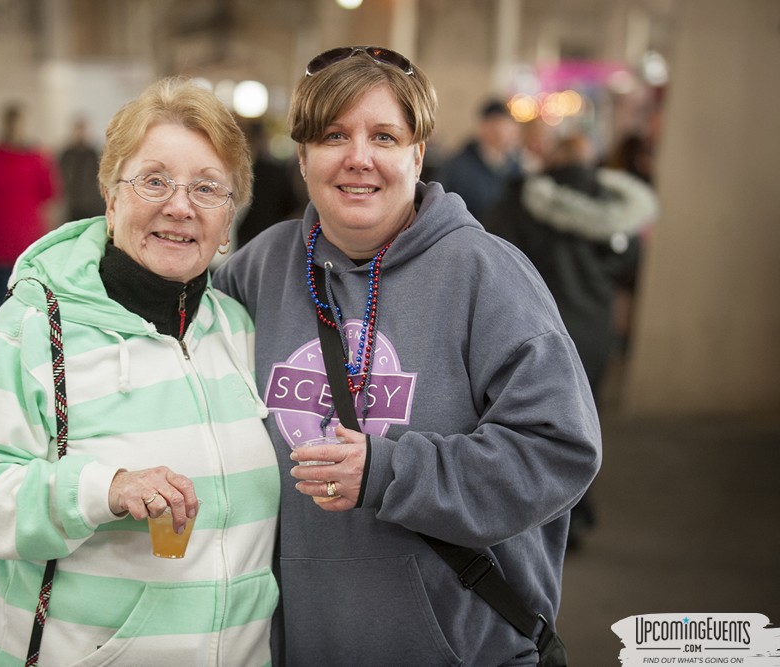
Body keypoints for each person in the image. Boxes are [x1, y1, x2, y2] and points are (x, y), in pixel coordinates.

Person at [214, 46, 602, 665]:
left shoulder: (485, 274)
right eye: (334, 134)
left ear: (417, 154)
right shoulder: (261, 267)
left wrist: (392, 473)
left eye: (385, 136)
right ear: (305, 155)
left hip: (457, 649)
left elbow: (559, 448)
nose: (358, 157)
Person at [0, 78, 280, 666]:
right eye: (154, 180)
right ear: (111, 197)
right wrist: (101, 490)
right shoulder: (33, 329)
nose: (180, 205)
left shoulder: (241, 330)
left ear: (228, 218)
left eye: (207, 187)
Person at [484, 134, 658, 548]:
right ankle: (577, 514)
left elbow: (493, 250)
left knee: (527, 422)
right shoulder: (610, 204)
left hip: (535, 328)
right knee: (585, 419)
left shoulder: (522, 200)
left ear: (552, 156)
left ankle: (538, 515)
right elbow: (629, 261)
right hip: (594, 331)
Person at [0, 102, 59, 311]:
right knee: (1, 304)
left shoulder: (36, 158)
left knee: (27, 305)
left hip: (28, 241)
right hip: (1, 241)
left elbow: (49, 194)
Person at [435, 97, 523, 221]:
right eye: (498, 126)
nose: (506, 133)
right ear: (484, 126)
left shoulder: (516, 167)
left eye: (509, 127)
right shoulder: (458, 166)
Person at [235, 120, 303, 250]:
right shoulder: (231, 172)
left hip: (263, 240)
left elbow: (290, 205)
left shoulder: (273, 171)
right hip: (247, 240)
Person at [58, 115, 108, 222]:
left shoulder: (94, 154)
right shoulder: (67, 154)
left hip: (92, 202)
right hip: (74, 203)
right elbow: (61, 176)